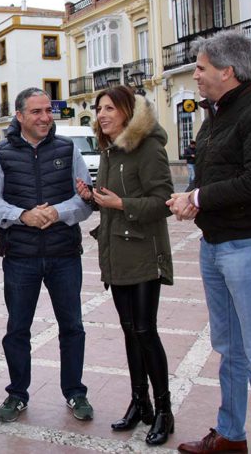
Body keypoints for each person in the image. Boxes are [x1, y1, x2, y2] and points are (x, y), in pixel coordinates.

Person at [167, 31, 251, 454]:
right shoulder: (214, 117)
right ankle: (230, 436)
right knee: (229, 349)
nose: (195, 75)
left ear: (227, 71)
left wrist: (198, 197)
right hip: (214, 244)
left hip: (249, 247)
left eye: (200, 68)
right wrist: (191, 201)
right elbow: (209, 172)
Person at [0, 87, 93, 423]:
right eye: (37, 112)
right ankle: (17, 394)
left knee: (72, 326)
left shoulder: (67, 149)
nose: (45, 117)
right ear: (19, 116)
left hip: (64, 254)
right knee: (18, 329)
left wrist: (56, 212)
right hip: (20, 256)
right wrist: (23, 216)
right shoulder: (1, 154)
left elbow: (85, 197)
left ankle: (75, 392)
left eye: (48, 111)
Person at [76, 85, 174, 445]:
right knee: (130, 331)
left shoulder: (148, 148)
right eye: (99, 109)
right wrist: (95, 198)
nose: (101, 115)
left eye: (109, 109)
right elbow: (114, 200)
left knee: (146, 331)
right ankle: (140, 404)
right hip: (117, 254)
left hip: (145, 255)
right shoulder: (108, 151)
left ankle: (164, 410)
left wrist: (120, 204)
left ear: (127, 113)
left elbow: (164, 201)